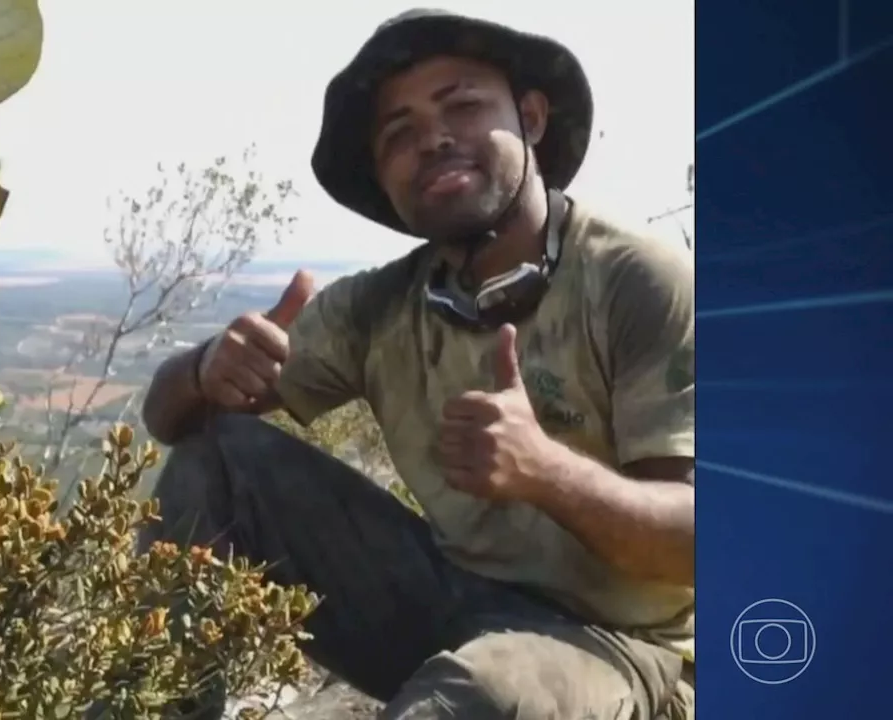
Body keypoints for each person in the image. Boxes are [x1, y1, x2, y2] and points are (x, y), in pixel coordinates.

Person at [138, 8, 695, 720]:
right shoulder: (379, 308)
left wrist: (546, 473)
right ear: (383, 177)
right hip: (449, 598)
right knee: (214, 461)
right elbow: (167, 419)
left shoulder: (635, 281)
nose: (433, 138)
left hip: (625, 649)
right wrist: (203, 370)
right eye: (398, 134)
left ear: (530, 116)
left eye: (463, 105)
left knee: (476, 697)